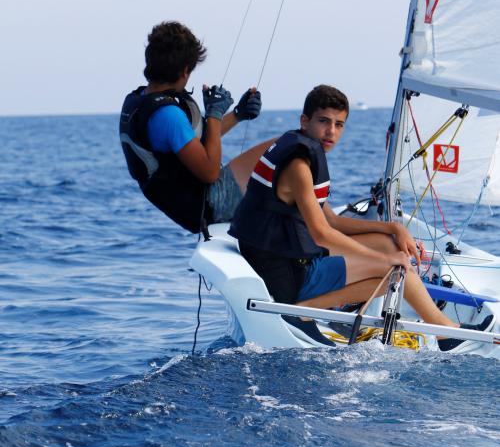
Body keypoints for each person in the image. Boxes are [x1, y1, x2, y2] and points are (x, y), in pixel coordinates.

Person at [229, 84, 494, 351]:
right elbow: (322, 234)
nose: (331, 131)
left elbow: (331, 221)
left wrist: (392, 228)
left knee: (389, 244)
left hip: (284, 257)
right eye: (323, 121)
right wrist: (384, 260)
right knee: (396, 269)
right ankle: (306, 311)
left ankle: (444, 329)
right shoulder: (298, 166)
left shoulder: (299, 150)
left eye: (339, 124)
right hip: (287, 274)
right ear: (304, 121)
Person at [120, 21, 274, 233]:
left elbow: (193, 142)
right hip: (210, 206)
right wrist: (214, 113)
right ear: (185, 70)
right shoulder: (168, 115)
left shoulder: (142, 100)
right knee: (289, 147)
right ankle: (319, 226)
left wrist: (238, 114)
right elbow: (210, 172)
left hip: (192, 209)